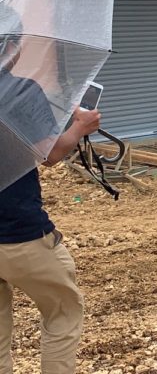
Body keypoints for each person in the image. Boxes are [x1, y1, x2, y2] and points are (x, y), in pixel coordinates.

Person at [1, 30, 102, 374]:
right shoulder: (19, 91)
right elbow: (51, 153)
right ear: (10, 46)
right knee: (62, 312)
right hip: (20, 232)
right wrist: (80, 128)